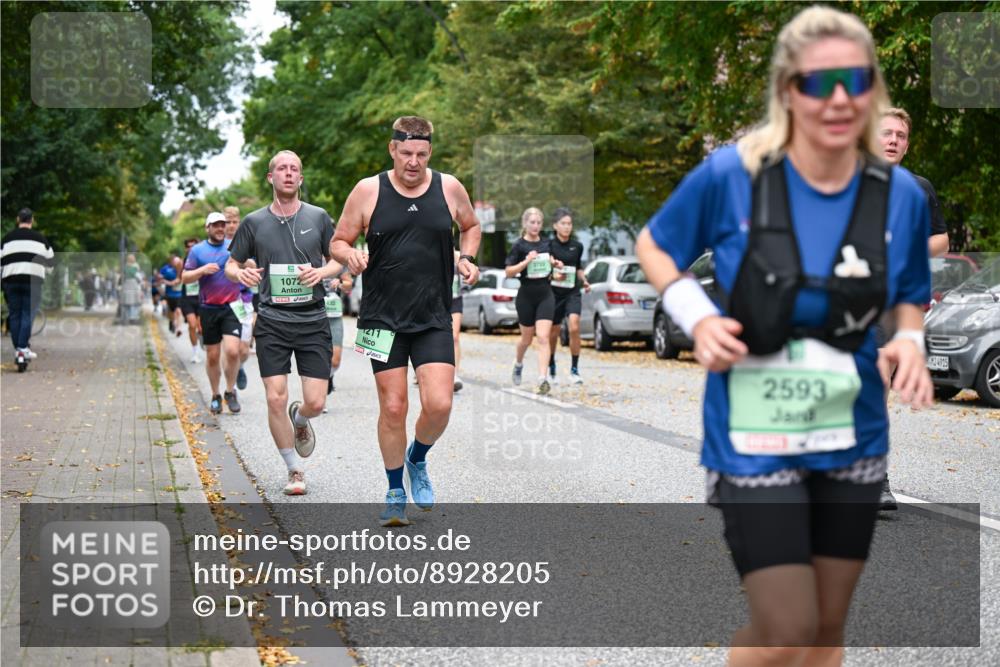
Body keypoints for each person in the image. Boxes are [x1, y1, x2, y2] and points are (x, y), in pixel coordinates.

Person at [635, 7, 933, 665]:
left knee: (825, 627)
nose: (835, 99)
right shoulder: (730, 175)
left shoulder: (901, 194)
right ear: (785, 90)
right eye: (814, 81)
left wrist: (908, 339)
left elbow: (910, 293)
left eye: (852, 80)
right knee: (788, 622)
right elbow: (657, 243)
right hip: (753, 432)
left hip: (851, 430)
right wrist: (700, 316)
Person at [332, 116, 481, 526]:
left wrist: (466, 258)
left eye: (421, 154)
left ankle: (418, 458)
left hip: (433, 314)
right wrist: (350, 256)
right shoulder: (368, 190)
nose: (413, 162)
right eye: (406, 153)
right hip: (382, 318)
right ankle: (395, 489)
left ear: (429, 152)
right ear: (392, 150)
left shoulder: (448, 187)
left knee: (439, 404)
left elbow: (470, 226)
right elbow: (339, 240)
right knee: (393, 407)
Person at [227, 150, 341, 497]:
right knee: (275, 398)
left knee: (316, 402)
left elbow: (341, 258)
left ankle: (302, 418)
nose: (288, 174)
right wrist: (240, 273)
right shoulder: (254, 222)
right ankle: (294, 469)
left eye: (294, 169)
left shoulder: (319, 217)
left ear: (301, 179)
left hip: (313, 319)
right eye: (282, 169)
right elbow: (231, 265)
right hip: (273, 320)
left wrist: (321, 272)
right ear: (270, 177)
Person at [876, 106, 950, 511]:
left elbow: (941, 241)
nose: (892, 141)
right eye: (885, 133)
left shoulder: (919, 188)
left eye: (900, 136)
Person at [184, 212, 242, 416]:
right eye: (215, 225)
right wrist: (201, 271)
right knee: (213, 356)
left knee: (233, 351)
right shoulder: (197, 251)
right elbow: (185, 277)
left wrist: (249, 266)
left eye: (222, 225)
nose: (220, 228)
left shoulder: (233, 246)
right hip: (208, 308)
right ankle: (216, 395)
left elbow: (248, 262)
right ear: (207, 228)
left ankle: (230, 391)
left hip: (232, 307)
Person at [505, 207, 564, 395]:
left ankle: (542, 379)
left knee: (543, 338)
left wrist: (556, 264)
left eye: (539, 223)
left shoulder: (547, 244)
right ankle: (518, 363)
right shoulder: (519, 245)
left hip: (546, 294)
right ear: (525, 224)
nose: (536, 226)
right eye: (532, 222)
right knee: (526, 339)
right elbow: (508, 272)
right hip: (526, 296)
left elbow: (552, 262)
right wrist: (526, 261)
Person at [1, 208, 54, 367]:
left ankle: (19, 349)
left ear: (18, 219)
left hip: (11, 281)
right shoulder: (40, 239)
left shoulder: (7, 239)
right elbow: (51, 264)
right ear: (32, 220)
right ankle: (23, 348)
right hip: (33, 281)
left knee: (15, 314)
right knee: (27, 314)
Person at [546, 207, 590, 385]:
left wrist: (585, 280)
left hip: (572, 291)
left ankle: (574, 369)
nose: (567, 227)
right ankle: (551, 365)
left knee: (574, 326)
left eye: (569, 224)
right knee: (554, 331)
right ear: (555, 226)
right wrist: (551, 266)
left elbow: (578, 267)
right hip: (554, 292)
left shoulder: (577, 246)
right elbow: (544, 264)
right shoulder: (548, 245)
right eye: (563, 224)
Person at [224, 206, 253, 391]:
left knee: (243, 351)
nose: (231, 226)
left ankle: (240, 367)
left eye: (235, 222)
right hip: (223, 302)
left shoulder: (247, 241)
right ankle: (230, 387)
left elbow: (255, 264)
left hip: (244, 300)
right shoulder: (217, 243)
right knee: (230, 351)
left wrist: (241, 261)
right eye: (228, 222)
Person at [321, 269, 349, 410]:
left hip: (334, 316)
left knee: (335, 360)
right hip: (316, 315)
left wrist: (341, 283)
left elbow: (349, 284)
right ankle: (321, 396)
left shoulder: (339, 261)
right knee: (319, 359)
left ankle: (329, 376)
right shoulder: (309, 254)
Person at [179, 238, 203, 363]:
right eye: (189, 246)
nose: (191, 248)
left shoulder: (202, 260)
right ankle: (195, 352)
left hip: (201, 297)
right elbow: (180, 278)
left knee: (201, 327)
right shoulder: (182, 262)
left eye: (194, 246)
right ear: (186, 248)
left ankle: (201, 339)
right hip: (187, 298)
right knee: (192, 325)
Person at [450, 248, 465, 392]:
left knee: (454, 337)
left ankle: (455, 375)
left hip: (455, 300)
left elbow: (469, 271)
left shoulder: (459, 256)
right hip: (435, 300)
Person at [159, 254, 184, 336]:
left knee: (178, 311)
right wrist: (162, 279)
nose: (175, 263)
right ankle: (171, 321)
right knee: (171, 312)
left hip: (179, 294)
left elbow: (178, 281)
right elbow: (160, 277)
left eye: (177, 262)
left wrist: (168, 282)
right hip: (169, 294)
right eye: (174, 261)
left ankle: (178, 329)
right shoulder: (166, 268)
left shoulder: (181, 270)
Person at [120, 254, 143, 324]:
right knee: (134, 302)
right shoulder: (136, 267)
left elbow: (122, 277)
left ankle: (127, 317)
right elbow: (138, 278)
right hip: (134, 285)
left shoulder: (125, 267)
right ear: (134, 260)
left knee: (127, 302)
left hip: (126, 285)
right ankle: (133, 317)